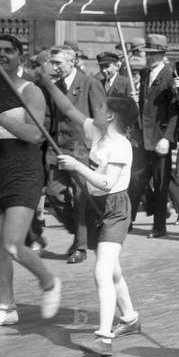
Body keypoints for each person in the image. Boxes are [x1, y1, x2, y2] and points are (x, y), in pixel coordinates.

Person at [41, 71, 140, 356]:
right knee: (114, 270)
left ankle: (103, 337)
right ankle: (130, 318)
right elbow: (69, 109)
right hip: (96, 205)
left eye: (100, 108)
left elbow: (107, 182)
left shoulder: (120, 145)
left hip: (115, 208)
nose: (94, 109)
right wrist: (48, 84)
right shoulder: (97, 131)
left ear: (110, 117)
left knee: (101, 271)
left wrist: (76, 164)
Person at [0, 34, 62, 329]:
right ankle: (6, 306)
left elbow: (35, 135)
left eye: (7, 51)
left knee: (12, 243)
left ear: (19, 58)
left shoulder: (30, 90)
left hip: (23, 168)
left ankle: (49, 282)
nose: (1, 55)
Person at [45, 45, 106, 264]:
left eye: (58, 63)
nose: (54, 67)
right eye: (52, 63)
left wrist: (99, 150)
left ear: (72, 62)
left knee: (81, 198)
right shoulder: (55, 86)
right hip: (58, 148)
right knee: (54, 193)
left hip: (82, 149)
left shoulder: (90, 84)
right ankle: (82, 233)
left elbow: (101, 119)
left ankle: (80, 246)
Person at [132, 34, 179, 238]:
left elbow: (176, 111)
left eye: (152, 54)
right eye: (148, 53)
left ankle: (159, 226)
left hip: (160, 139)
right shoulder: (145, 75)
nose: (148, 57)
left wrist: (167, 138)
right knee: (135, 180)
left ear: (161, 54)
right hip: (143, 137)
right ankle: (127, 221)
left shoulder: (170, 76)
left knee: (161, 184)